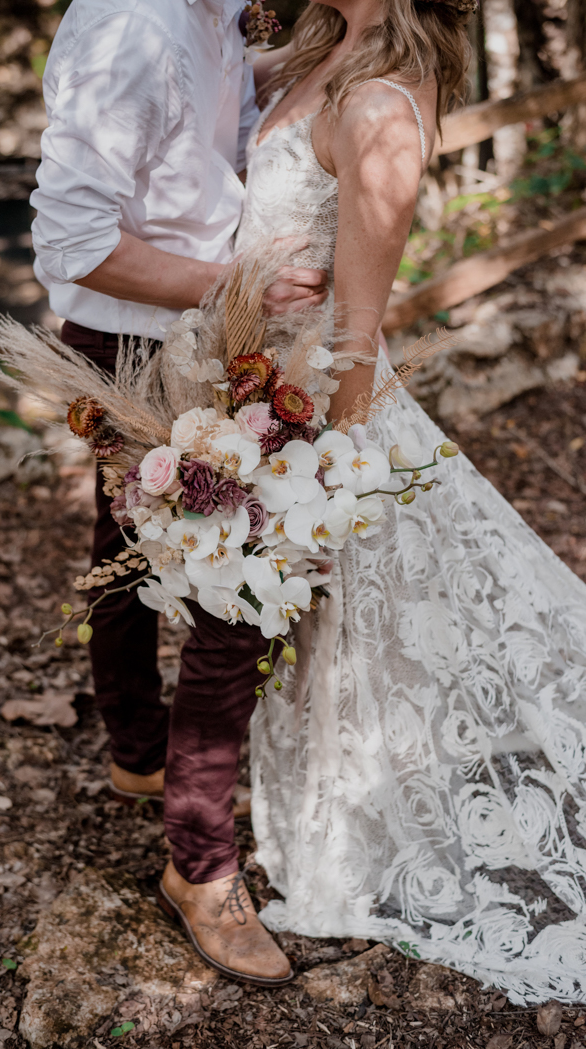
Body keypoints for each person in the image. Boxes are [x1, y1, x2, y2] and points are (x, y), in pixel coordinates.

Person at [238, 0, 586, 1005]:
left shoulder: (383, 97)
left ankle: (361, 829)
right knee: (325, 623)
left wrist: (332, 460)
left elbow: (360, 317)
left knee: (355, 604)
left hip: (324, 408)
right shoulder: (315, 46)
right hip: (260, 382)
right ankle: (328, 805)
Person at [31, 0, 329, 986]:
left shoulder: (218, 15)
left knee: (124, 550)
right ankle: (198, 866)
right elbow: (72, 242)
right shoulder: (134, 26)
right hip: (132, 342)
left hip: (193, 327)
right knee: (234, 595)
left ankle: (132, 748)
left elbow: (213, 160)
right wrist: (234, 282)